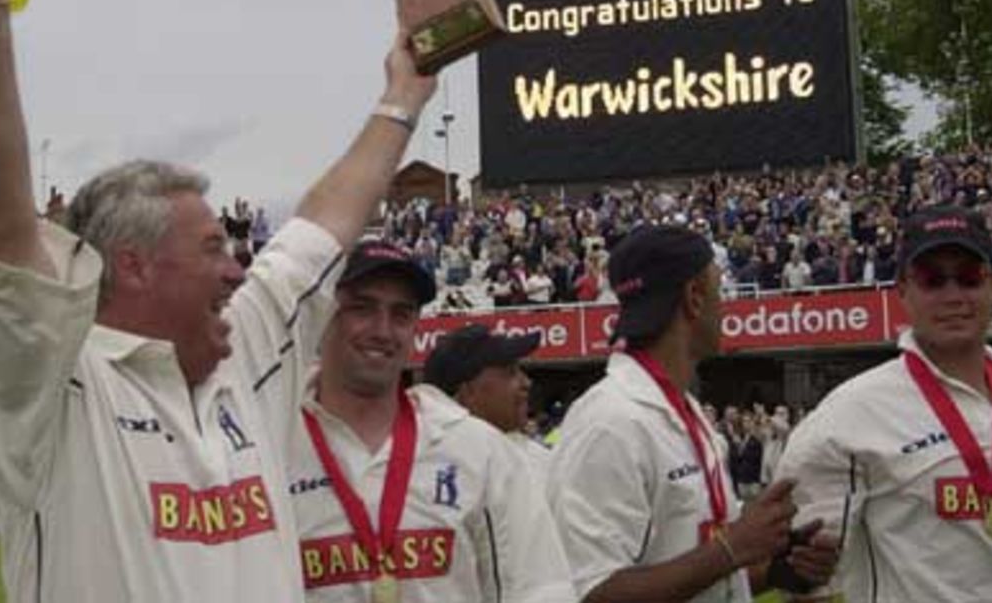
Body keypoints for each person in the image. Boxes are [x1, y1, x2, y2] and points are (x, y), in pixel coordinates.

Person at [0, 0, 437, 601]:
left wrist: (402, 97)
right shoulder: (57, 384)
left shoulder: (246, 353)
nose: (239, 270)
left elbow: (325, 223)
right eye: (213, 249)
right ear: (135, 264)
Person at [775, 205, 992, 601]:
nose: (953, 296)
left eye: (968, 278)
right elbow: (806, 575)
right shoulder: (850, 413)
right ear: (903, 292)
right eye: (932, 280)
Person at [545, 225, 838, 602]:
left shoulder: (685, 411)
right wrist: (731, 547)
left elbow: (697, 571)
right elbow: (590, 592)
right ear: (695, 297)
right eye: (720, 290)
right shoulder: (610, 422)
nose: (726, 305)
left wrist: (779, 570)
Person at [288, 241, 574, 601]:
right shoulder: (272, 447)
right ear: (323, 316)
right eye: (362, 308)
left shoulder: (478, 450)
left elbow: (541, 590)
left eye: (401, 314)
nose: (383, 330)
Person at [422, 323, 551, 480]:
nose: (526, 382)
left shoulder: (540, 460)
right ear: (468, 391)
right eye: (510, 373)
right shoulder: (431, 470)